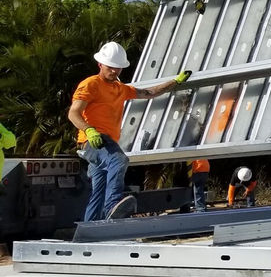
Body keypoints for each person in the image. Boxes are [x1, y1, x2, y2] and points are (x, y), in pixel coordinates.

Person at [67, 41, 190, 221]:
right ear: (100, 64)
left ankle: (89, 229)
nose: (114, 71)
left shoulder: (121, 89)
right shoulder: (90, 84)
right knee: (119, 160)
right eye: (110, 67)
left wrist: (175, 82)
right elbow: (73, 113)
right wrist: (89, 130)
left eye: (118, 68)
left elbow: (149, 93)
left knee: (98, 192)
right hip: (93, 141)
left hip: (106, 144)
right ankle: (112, 206)